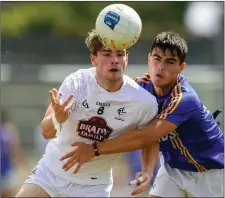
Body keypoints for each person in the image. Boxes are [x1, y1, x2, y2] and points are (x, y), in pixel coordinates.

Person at [60, 31, 224, 197]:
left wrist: (94, 149)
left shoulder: (185, 99)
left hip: (210, 172)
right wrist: (147, 171)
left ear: (181, 67)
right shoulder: (139, 89)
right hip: (173, 169)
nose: (160, 67)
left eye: (170, 62)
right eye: (157, 58)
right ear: (149, 59)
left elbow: (146, 136)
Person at [16, 29, 159, 197]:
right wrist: (58, 118)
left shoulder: (144, 102)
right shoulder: (76, 83)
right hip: (50, 174)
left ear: (127, 58)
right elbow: (46, 132)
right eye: (106, 54)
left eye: (120, 54)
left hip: (93, 186)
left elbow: (150, 138)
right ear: (94, 59)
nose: (114, 60)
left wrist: (148, 171)